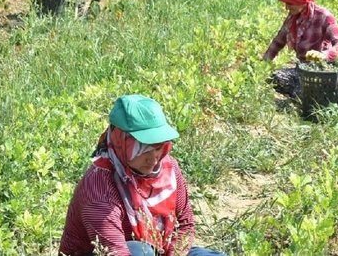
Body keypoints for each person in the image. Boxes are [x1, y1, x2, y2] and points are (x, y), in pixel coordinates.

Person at [58, 95, 226, 256]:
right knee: (139, 251)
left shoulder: (169, 169)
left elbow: (184, 224)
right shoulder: (99, 187)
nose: (153, 158)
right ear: (119, 140)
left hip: (160, 250)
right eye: (142, 148)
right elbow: (116, 252)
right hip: (109, 252)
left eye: (158, 146)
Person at [262, 0, 338, 97]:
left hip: (323, 71)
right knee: (275, 78)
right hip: (303, 69)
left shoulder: (324, 16)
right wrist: (263, 63)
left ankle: (307, 95)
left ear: (301, 0)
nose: (287, 8)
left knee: (305, 91)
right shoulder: (292, 19)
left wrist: (323, 55)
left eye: (290, 4)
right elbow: (278, 42)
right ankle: (304, 94)